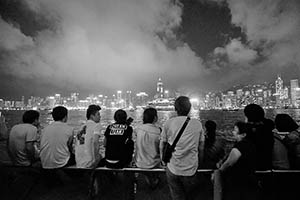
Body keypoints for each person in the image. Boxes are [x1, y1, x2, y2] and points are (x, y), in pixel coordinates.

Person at [160, 96, 205, 200]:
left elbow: (162, 144)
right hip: (191, 169)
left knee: (176, 196)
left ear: (175, 109)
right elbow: (201, 147)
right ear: (189, 108)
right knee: (191, 196)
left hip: (173, 168)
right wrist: (200, 163)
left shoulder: (168, 123)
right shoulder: (197, 124)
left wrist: (163, 161)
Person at [219, 121, 258, 200]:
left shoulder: (240, 146)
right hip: (249, 180)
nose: (233, 132)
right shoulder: (251, 145)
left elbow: (229, 163)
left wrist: (219, 170)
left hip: (237, 182)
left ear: (243, 135)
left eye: (235, 131)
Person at [134, 107, 161, 188]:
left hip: (139, 162)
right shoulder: (158, 131)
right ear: (155, 118)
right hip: (154, 163)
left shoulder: (137, 129)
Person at [243, 104, 274, 170]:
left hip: (255, 169)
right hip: (268, 166)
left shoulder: (250, 134)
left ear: (248, 117)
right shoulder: (269, 130)